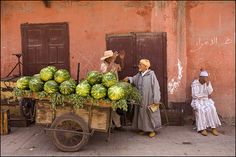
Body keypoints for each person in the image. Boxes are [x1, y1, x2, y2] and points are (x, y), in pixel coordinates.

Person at [124, 59, 162, 138]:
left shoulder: (151, 75)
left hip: (149, 99)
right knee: (141, 114)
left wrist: (156, 99)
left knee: (149, 114)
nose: (139, 66)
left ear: (145, 66)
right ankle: (144, 129)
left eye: (140, 65)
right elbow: (134, 79)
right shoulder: (139, 74)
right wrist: (129, 79)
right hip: (141, 99)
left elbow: (156, 87)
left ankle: (152, 130)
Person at [191, 70, 221, 136]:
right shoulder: (195, 83)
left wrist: (207, 85)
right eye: (204, 78)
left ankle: (213, 128)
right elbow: (195, 95)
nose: (205, 79)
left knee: (212, 108)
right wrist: (205, 95)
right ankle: (202, 128)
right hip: (197, 101)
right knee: (200, 109)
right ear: (200, 77)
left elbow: (210, 92)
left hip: (206, 100)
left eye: (206, 78)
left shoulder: (207, 82)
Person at [100, 50, 125, 131]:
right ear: (107, 59)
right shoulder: (103, 65)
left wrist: (121, 60)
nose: (112, 59)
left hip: (114, 89)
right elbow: (107, 71)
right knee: (109, 108)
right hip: (107, 88)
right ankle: (109, 126)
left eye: (112, 58)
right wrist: (114, 60)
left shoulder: (113, 64)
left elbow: (121, 68)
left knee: (114, 108)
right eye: (111, 58)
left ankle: (118, 125)